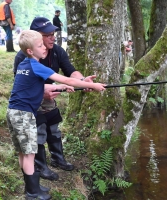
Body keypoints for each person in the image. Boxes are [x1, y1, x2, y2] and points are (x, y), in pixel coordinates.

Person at [6, 30, 106, 199]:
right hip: (24, 116)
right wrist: (93, 85)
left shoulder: (24, 64)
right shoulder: (36, 65)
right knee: (29, 154)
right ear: (30, 51)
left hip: (14, 113)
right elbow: (66, 79)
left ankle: (33, 187)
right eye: (40, 45)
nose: (44, 47)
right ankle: (32, 193)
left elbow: (40, 87)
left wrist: (60, 88)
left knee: (23, 153)